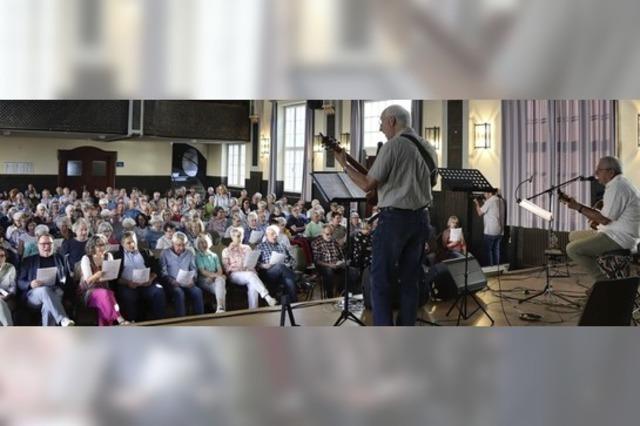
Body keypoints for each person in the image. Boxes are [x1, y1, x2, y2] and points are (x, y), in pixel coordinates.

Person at [335, 104, 436, 326]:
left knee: (381, 280)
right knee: (411, 280)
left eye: (381, 122)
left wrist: (344, 165)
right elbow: (429, 182)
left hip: (395, 221)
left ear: (392, 121)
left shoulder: (393, 146)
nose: (381, 128)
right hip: (421, 220)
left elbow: (367, 184)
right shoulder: (428, 147)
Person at [565, 156, 640, 285]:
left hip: (619, 238)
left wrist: (578, 207)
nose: (596, 173)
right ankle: (599, 261)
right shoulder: (618, 184)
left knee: (572, 249)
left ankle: (604, 283)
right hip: (614, 232)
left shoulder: (618, 187)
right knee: (573, 236)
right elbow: (604, 216)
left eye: (599, 170)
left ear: (610, 172)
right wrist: (578, 206)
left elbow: (604, 220)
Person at [18, 233, 75, 326]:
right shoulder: (28, 260)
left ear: (53, 245)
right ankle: (63, 319)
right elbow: (20, 281)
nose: (47, 246)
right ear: (38, 245)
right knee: (45, 290)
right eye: (43, 244)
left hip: (56, 291)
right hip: (34, 295)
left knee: (48, 306)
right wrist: (30, 284)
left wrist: (69, 298)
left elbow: (68, 281)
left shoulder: (61, 259)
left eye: (49, 243)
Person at [115, 231, 166, 322]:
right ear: (122, 244)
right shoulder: (118, 256)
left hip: (147, 283)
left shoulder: (145, 252)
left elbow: (156, 267)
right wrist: (128, 283)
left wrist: (151, 278)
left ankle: (160, 321)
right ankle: (133, 322)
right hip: (128, 285)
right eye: (129, 243)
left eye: (133, 241)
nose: (132, 244)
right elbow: (115, 278)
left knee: (158, 291)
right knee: (129, 296)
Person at [221, 227, 277, 309]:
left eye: (240, 236)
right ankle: (267, 297)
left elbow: (252, 262)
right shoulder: (226, 250)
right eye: (237, 236)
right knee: (250, 275)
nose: (239, 238)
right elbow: (226, 269)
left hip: (249, 273)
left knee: (253, 285)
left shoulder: (247, 248)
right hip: (235, 274)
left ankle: (254, 310)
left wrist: (251, 266)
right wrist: (240, 267)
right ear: (232, 237)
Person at [79, 234, 128, 326]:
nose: (102, 247)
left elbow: (112, 275)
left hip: (105, 289)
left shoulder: (108, 256)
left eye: (104, 244)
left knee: (106, 296)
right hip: (89, 292)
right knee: (106, 294)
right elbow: (88, 281)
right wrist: (97, 275)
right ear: (92, 246)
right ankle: (120, 319)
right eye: (99, 245)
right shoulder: (86, 258)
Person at [160, 231, 204, 317]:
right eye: (178, 245)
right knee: (179, 293)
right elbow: (163, 272)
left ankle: (200, 318)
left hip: (187, 282)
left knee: (197, 291)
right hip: (172, 283)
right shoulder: (165, 253)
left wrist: (193, 279)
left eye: (183, 245)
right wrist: (172, 281)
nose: (181, 247)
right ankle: (182, 319)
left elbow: (194, 269)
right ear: (172, 243)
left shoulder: (189, 253)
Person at [256, 225, 298, 303]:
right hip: (268, 272)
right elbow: (255, 264)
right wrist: (263, 265)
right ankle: (297, 279)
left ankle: (294, 303)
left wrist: (288, 263)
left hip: (284, 272)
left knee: (288, 279)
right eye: (272, 234)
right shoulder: (260, 246)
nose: (275, 236)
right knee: (280, 267)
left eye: (276, 234)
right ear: (266, 235)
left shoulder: (281, 245)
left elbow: (292, 260)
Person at [195, 233, 227, 313]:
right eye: (201, 243)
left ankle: (220, 308)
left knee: (220, 282)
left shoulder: (214, 255)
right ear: (198, 245)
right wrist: (217, 276)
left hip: (214, 279)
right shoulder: (198, 256)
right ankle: (221, 309)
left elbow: (219, 270)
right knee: (222, 287)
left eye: (205, 242)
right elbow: (203, 271)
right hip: (204, 280)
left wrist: (215, 277)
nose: (203, 244)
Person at [473, 188, 506, 266]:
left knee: (488, 251)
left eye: (485, 193)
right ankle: (496, 268)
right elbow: (493, 211)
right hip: (500, 230)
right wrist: (485, 203)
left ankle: (490, 268)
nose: (484, 195)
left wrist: (476, 203)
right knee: (496, 250)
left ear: (490, 193)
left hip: (490, 231)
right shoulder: (500, 200)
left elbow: (479, 213)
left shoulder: (490, 201)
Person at [311, 224, 346, 298]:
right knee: (329, 272)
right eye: (327, 234)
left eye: (331, 234)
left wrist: (342, 261)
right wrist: (329, 265)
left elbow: (341, 255)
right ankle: (330, 296)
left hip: (336, 264)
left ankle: (340, 292)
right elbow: (317, 261)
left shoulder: (334, 241)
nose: (330, 236)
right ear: (322, 233)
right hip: (324, 266)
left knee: (352, 271)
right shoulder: (316, 243)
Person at [0, 247, 16, 326]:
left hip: (7, 298)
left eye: (2, 255)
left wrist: (8, 296)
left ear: (5, 257)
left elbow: (13, 287)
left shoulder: (10, 268)